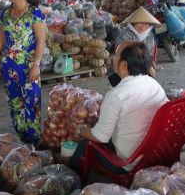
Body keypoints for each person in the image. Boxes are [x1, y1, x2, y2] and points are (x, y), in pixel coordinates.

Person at [69, 41, 168, 171]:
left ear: (124, 65)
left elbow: (101, 137)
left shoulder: (117, 95)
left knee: (85, 141)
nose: (113, 59)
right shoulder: (154, 85)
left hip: (129, 162)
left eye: (116, 56)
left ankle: (72, 170)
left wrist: (80, 130)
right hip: (156, 153)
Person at [0, 0, 46, 143]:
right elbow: (0, 37)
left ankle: (34, 138)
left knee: (32, 100)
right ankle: (22, 136)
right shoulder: (6, 12)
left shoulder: (35, 14)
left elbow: (41, 41)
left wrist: (36, 65)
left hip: (29, 66)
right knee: (15, 101)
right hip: (9, 65)